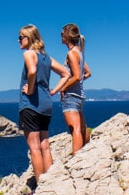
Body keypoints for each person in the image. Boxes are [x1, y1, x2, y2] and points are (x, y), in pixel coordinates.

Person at [18, 24, 69, 185]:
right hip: (46, 104)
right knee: (45, 145)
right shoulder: (46, 57)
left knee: (34, 148)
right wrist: (53, 91)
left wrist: (30, 89)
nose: (18, 40)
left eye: (21, 37)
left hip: (31, 104)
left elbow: (32, 71)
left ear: (29, 38)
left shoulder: (29, 54)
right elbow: (66, 73)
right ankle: (51, 182)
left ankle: (40, 187)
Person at [53, 23, 92, 154]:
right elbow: (87, 73)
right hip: (80, 95)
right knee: (82, 128)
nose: (61, 36)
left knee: (74, 129)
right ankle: (86, 153)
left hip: (70, 96)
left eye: (62, 34)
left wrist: (63, 88)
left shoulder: (71, 54)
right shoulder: (80, 53)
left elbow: (76, 76)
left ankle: (77, 158)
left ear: (67, 36)